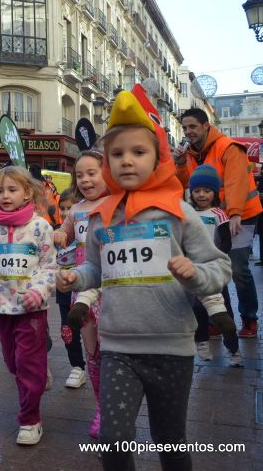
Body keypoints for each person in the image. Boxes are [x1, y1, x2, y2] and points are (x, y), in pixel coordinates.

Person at [57, 92, 234, 471]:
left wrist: (195, 273)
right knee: (112, 439)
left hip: (171, 347)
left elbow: (218, 267)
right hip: (118, 347)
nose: (127, 160)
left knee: (169, 440)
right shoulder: (102, 218)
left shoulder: (179, 212)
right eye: (117, 153)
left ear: (158, 158)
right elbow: (94, 270)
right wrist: (74, 278)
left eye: (138, 151)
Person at [0, 166, 56, 446]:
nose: (5, 196)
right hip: (0, 307)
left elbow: (49, 265)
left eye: (12, 189)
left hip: (32, 308)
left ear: (27, 192)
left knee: (27, 363)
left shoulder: (40, 226)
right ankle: (37, 374)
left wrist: (39, 291)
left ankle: (30, 419)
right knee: (12, 362)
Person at [173, 107, 262, 338]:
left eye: (192, 126)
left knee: (238, 269)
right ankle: (216, 319)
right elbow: (183, 183)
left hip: (241, 214)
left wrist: (234, 213)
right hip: (213, 216)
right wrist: (180, 163)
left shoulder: (228, 147)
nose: (188, 131)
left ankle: (249, 318)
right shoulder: (191, 154)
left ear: (206, 126)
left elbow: (236, 181)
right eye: (184, 128)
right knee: (209, 266)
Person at [53, 150, 108, 438]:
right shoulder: (76, 210)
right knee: (93, 353)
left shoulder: (118, 204)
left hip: (112, 290)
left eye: (92, 173)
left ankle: (115, 408)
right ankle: (101, 408)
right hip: (83, 289)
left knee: (114, 352)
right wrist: (61, 234)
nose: (85, 180)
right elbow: (65, 233)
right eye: (80, 175)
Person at [188, 165, 242, 366]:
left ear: (214, 193)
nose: (201, 195)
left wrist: (215, 258)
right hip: (194, 272)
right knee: (197, 309)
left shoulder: (219, 214)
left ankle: (234, 350)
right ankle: (201, 342)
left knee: (224, 314)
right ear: (191, 192)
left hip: (214, 271)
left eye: (207, 191)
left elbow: (226, 242)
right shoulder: (187, 213)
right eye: (197, 191)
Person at [52, 188, 87, 392]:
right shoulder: (56, 234)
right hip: (65, 291)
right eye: (62, 209)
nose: (66, 213)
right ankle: (77, 367)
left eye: (70, 208)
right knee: (68, 329)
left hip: (88, 289)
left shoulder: (86, 231)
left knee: (93, 329)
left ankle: (97, 364)